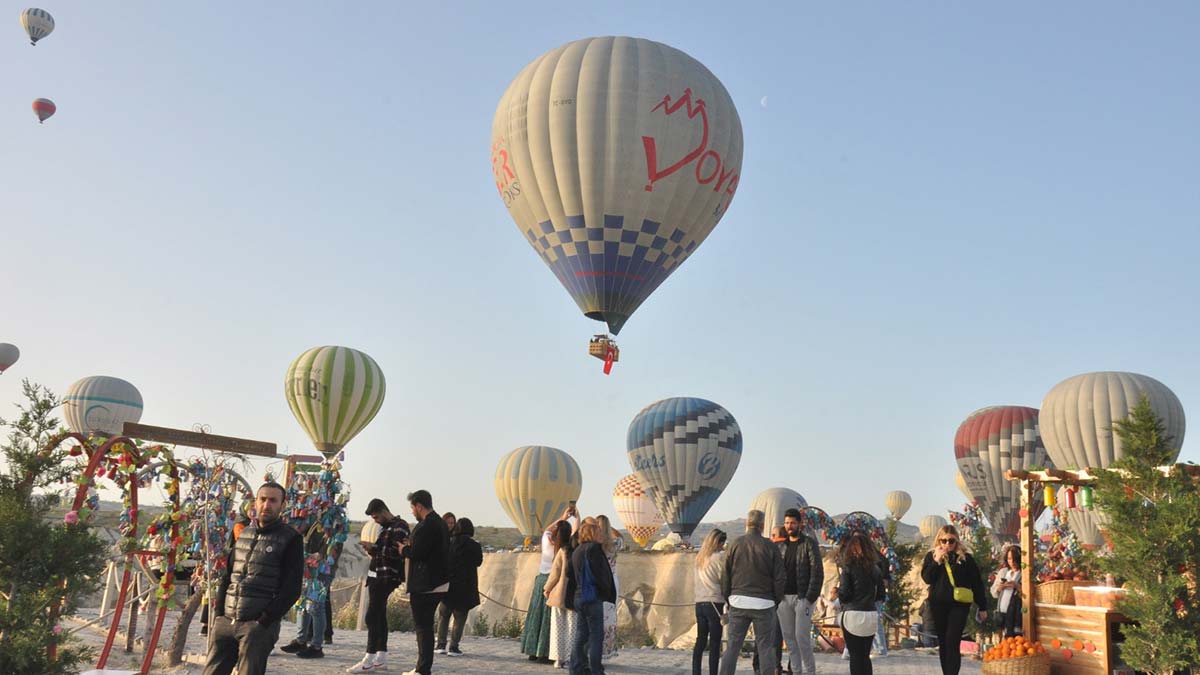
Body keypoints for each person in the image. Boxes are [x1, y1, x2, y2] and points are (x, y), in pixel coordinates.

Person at [203, 482, 303, 675]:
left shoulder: (290, 539)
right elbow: (227, 576)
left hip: (256, 626)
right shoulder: (243, 533)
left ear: (282, 506)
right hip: (226, 621)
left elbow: (292, 589)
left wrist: (264, 621)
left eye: (273, 501)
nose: (267, 505)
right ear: (255, 503)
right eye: (262, 499)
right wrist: (218, 616)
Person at [719, 509, 786, 675]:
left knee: (733, 647)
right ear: (763, 526)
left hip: (738, 601)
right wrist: (775, 600)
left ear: (746, 524)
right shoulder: (771, 546)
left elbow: (725, 575)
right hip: (765, 603)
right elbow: (780, 578)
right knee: (765, 648)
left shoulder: (735, 544)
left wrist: (728, 598)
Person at [347, 498, 410, 673]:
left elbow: (397, 553)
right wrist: (373, 549)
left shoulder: (400, 527)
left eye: (376, 517)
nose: (375, 520)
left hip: (386, 577)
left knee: (372, 617)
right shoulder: (387, 527)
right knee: (379, 616)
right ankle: (381, 657)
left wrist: (374, 547)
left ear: (383, 511)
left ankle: (369, 658)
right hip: (376, 576)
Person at [921, 525, 988, 675]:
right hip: (938, 605)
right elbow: (927, 578)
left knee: (952, 640)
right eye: (943, 541)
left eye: (951, 541)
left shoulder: (966, 559)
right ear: (938, 540)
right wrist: (936, 561)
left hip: (959, 606)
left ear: (956, 541)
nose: (947, 544)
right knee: (944, 642)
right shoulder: (931, 557)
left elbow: (976, 583)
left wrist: (982, 606)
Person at [398, 489, 451, 675]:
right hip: (440, 582)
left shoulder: (426, 525)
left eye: (412, 507)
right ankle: (423, 667)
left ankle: (422, 668)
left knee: (423, 628)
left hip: (426, 585)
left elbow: (418, 554)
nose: (412, 511)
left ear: (419, 506)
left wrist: (404, 549)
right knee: (426, 627)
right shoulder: (441, 524)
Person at [524, 506, 576, 663]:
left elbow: (547, 529)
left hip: (542, 581)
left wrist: (563, 517)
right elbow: (576, 531)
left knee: (536, 617)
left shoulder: (546, 541)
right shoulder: (567, 549)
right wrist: (576, 517)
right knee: (550, 620)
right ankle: (547, 652)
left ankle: (533, 651)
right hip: (556, 583)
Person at [776, 508, 824, 675]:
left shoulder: (809, 544)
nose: (790, 526)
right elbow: (776, 573)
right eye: (787, 523)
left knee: (801, 638)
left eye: (793, 523)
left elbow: (817, 571)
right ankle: (796, 672)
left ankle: (810, 672)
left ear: (799, 524)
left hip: (802, 597)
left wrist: (809, 598)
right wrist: (778, 595)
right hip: (783, 599)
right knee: (789, 640)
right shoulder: (781, 546)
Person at [830, 532, 885, 675]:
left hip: (852, 616)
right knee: (865, 657)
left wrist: (838, 592)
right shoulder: (876, 569)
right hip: (871, 615)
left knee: (855, 657)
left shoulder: (848, 568)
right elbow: (881, 595)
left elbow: (845, 595)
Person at [567, 521, 617, 675]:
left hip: (579, 597)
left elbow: (570, 575)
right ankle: (596, 669)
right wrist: (605, 592)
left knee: (581, 634)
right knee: (596, 635)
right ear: (592, 534)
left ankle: (576, 668)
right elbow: (600, 574)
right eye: (598, 532)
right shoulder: (594, 549)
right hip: (592, 597)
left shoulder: (577, 551)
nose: (602, 535)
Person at [280, 522, 332, 659]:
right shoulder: (312, 524)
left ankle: (316, 646)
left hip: (320, 571)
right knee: (302, 605)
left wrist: (311, 558)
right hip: (307, 569)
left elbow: (328, 552)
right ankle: (301, 640)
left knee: (316, 607)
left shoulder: (326, 523)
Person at [435, 517, 483, 656]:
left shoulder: (449, 543)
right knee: (460, 618)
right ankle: (454, 647)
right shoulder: (475, 545)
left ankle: (440, 645)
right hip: (466, 587)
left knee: (443, 616)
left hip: (449, 586)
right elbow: (478, 562)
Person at [543, 520, 577, 669]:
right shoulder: (578, 550)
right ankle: (570, 658)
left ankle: (558, 658)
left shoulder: (562, 551)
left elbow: (555, 573)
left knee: (558, 626)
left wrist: (547, 588)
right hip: (574, 593)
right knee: (572, 627)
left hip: (559, 593)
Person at [693, 528, 727, 675]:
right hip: (714, 602)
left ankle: (696, 672)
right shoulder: (719, 557)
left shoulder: (699, 558)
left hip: (699, 603)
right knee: (714, 643)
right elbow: (724, 579)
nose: (723, 546)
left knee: (700, 642)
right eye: (722, 543)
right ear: (718, 542)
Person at [596, 515, 621, 659]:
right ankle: (606, 650)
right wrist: (609, 527)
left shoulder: (594, 544)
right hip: (612, 582)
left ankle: (593, 650)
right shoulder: (616, 543)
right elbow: (620, 536)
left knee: (596, 618)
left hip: (599, 581)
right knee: (609, 618)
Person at [991, 545, 1022, 638]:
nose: (1012, 562)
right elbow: (993, 592)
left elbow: (1029, 594)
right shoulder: (1003, 572)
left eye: (1014, 559)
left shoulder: (1023, 573)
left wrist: (1017, 586)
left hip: (1015, 614)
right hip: (1002, 612)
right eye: (1009, 559)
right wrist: (1000, 587)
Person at [872, 547, 892, 658]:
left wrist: (884, 578)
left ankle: (880, 648)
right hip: (867, 595)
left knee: (876, 621)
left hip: (875, 595)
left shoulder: (875, 556)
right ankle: (875, 647)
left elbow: (884, 562)